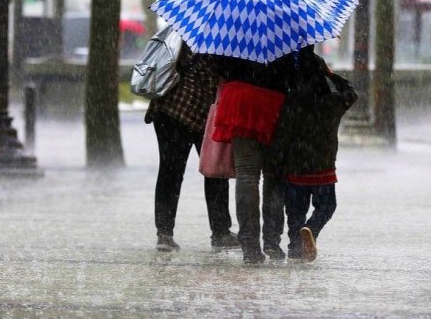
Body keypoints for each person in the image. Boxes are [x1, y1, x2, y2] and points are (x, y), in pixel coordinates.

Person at [206, 52, 298, 263]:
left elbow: (217, 64)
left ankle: (250, 246)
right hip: (274, 100)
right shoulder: (288, 26)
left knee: (246, 174)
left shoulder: (231, 24)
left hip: (239, 97)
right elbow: (296, 69)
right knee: (274, 177)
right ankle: (272, 241)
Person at [145, 46, 239, 252]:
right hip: (191, 110)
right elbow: (223, 76)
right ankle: (220, 232)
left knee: (171, 172)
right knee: (214, 171)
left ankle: (165, 233)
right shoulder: (220, 43)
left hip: (168, 107)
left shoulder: (187, 30)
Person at [270, 47, 357, 262]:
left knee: (295, 212)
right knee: (327, 206)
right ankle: (312, 229)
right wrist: (330, 74)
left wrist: (277, 160)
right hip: (323, 166)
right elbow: (351, 93)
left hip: (295, 165)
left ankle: (295, 248)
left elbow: (282, 134)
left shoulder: (291, 102)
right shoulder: (334, 103)